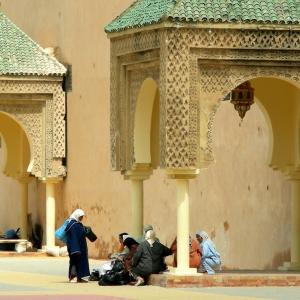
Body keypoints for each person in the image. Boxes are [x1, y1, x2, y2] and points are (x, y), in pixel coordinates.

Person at [65, 209, 90, 282]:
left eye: (82, 216)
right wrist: (75, 250)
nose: (82, 218)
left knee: (82, 262)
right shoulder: (72, 225)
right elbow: (73, 238)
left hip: (81, 247)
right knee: (74, 262)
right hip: (75, 248)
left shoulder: (78, 224)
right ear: (76, 215)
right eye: (80, 216)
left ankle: (81, 277)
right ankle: (73, 277)